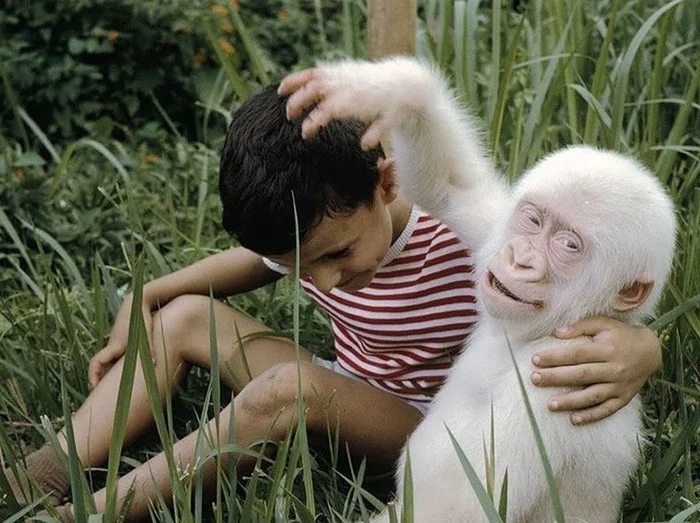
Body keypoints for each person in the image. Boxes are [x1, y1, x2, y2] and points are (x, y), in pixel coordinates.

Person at [3, 84, 661, 522]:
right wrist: (149, 293)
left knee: (291, 388)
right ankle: (42, 473)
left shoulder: (474, 232)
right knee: (183, 317)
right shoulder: (316, 226)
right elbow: (248, 265)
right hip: (349, 384)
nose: (322, 280)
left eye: (337, 255)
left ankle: (93, 511)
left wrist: (642, 344)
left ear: (389, 181)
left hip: (432, 424)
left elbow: (574, 292)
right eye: (299, 266)